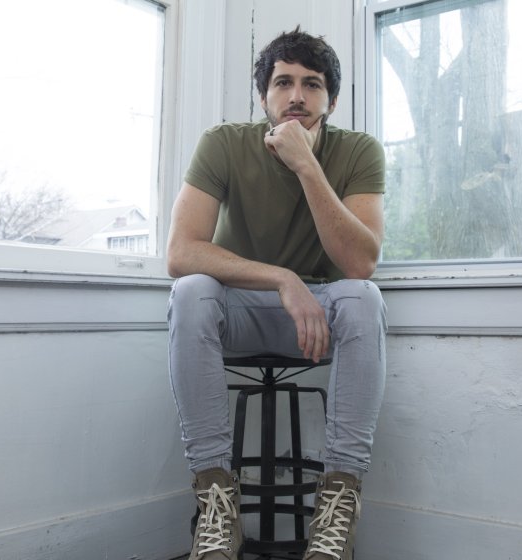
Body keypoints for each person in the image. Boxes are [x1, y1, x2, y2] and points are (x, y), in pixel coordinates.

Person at [166, 27, 387, 560]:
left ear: (331, 101)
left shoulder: (358, 151)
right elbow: (181, 252)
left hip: (315, 322)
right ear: (263, 96)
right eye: (283, 83)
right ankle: (215, 501)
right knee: (192, 290)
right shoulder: (224, 143)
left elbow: (360, 263)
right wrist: (284, 278)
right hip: (240, 312)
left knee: (363, 296)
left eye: (312, 85)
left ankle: (337, 507)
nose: (296, 97)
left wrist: (307, 165)